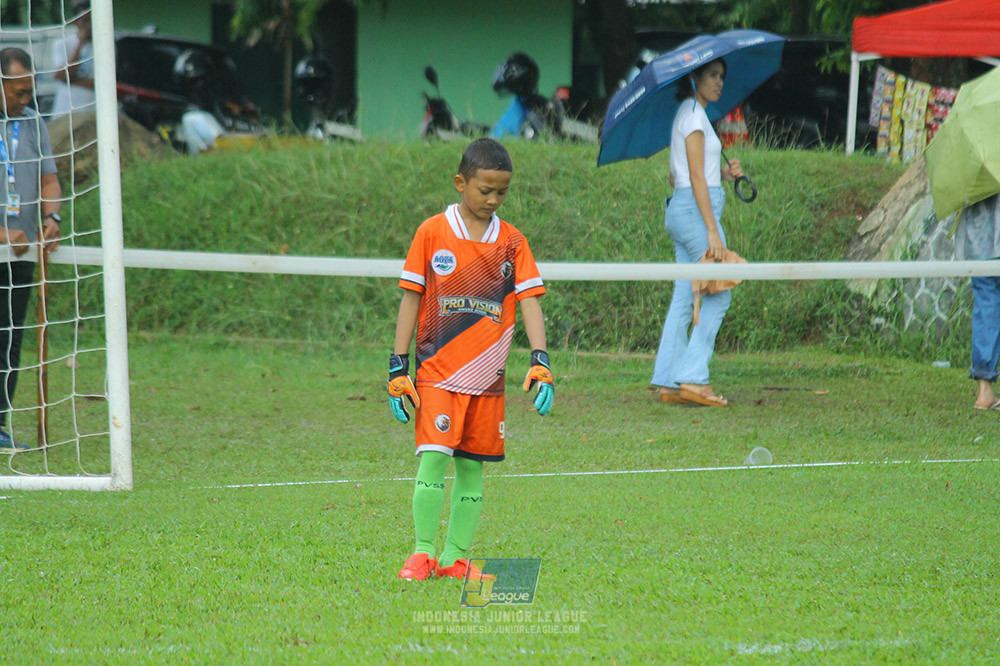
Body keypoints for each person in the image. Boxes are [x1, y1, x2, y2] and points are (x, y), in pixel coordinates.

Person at [388, 138, 553, 581]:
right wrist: (397, 364)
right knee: (434, 458)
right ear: (461, 183)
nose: (493, 200)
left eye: (502, 192)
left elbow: (531, 301)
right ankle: (422, 553)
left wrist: (541, 360)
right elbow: (410, 299)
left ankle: (454, 558)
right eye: (485, 190)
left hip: (488, 381)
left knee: (471, 468)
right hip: (437, 374)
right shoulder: (432, 233)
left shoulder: (513, 242)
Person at [651, 58, 743, 408]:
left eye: (722, 76)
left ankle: (669, 380)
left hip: (686, 207)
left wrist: (725, 173)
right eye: (712, 76)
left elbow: (688, 174)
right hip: (695, 212)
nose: (719, 82)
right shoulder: (692, 116)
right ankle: (691, 377)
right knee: (720, 292)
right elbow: (695, 178)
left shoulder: (692, 115)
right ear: (694, 78)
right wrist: (712, 231)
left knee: (684, 294)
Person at [0, 48, 62, 450]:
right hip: (5, 244)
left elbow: (50, 181)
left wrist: (52, 219)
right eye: (19, 92)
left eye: (29, 92)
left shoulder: (34, 123)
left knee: (10, 339)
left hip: (21, 257)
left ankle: (0, 426)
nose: (26, 100)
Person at [953, 193, 1000, 410]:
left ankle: (984, 391)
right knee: (986, 304)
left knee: (986, 306)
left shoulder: (970, 163)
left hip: (978, 240)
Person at [48, 0, 96, 121]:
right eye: (85, 21)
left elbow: (104, 82)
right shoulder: (62, 44)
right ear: (75, 21)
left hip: (92, 112)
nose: (88, 26)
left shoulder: (106, 47)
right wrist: (80, 44)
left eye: (91, 20)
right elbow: (63, 76)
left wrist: (71, 81)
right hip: (66, 113)